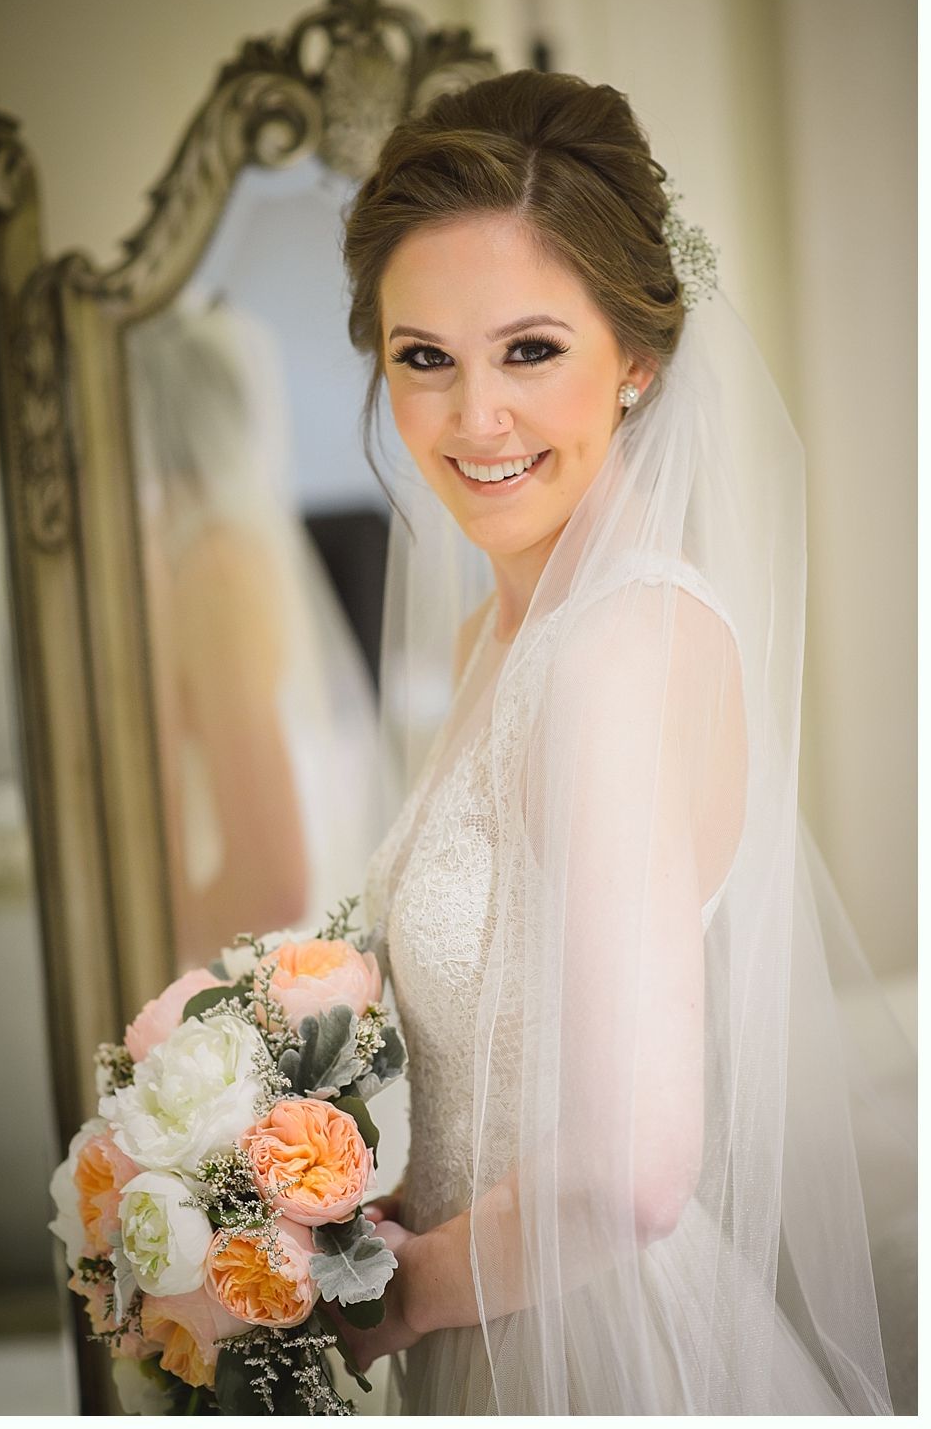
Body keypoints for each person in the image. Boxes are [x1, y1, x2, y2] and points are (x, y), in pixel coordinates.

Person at [332, 71, 915, 1413]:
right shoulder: (507, 637)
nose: (474, 419)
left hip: (582, 1357)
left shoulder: (610, 654)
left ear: (636, 357)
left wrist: (391, 1295)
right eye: (425, 357)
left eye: (529, 350)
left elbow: (633, 1172)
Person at [127, 297, 382, 970]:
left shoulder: (216, 570)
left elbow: (275, 885)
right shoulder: (192, 558)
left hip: (243, 973)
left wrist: (143, 951)